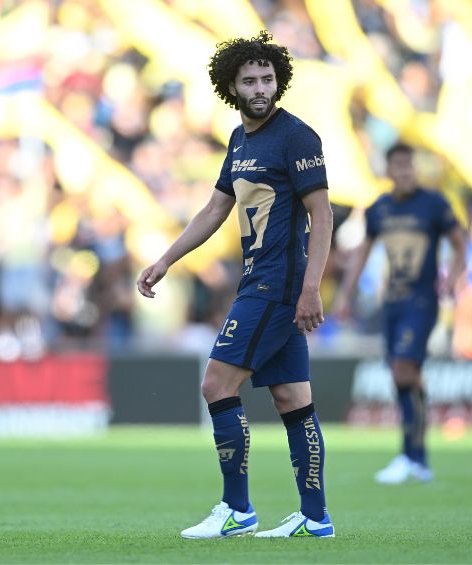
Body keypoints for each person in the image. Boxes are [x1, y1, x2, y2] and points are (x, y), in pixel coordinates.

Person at [137, 31, 335, 539]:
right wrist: (166, 259)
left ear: (279, 80)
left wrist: (312, 287)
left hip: (275, 287)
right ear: (231, 87)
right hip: (260, 281)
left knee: (216, 385)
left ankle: (236, 509)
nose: (261, 86)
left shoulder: (297, 137)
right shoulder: (240, 139)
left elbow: (322, 214)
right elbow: (214, 209)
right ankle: (315, 518)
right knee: (293, 398)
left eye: (267, 77)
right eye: (249, 79)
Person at [333, 142, 467, 484]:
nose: (405, 172)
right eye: (399, 166)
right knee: (401, 376)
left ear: (415, 168)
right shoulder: (380, 209)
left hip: (422, 302)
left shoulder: (434, 204)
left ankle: (412, 456)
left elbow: (459, 242)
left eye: (409, 165)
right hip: (392, 303)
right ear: (389, 170)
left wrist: (452, 278)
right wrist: (345, 295)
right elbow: (363, 251)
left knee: (403, 368)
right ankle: (416, 456)